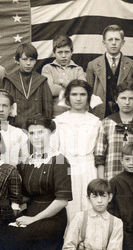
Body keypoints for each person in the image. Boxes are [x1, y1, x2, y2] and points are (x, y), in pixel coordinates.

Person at [0, 115, 72, 250]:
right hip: (31, 212)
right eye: (32, 133)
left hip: (52, 216)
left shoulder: (60, 160)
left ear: (50, 132)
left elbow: (62, 200)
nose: (36, 137)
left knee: (18, 240)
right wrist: (14, 211)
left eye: (41, 132)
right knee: (3, 233)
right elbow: (26, 195)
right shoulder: (27, 161)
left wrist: (33, 219)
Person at [52, 80, 101, 228]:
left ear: (88, 97)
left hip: (88, 168)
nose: (78, 98)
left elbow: (99, 152)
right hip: (67, 169)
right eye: (74, 94)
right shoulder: (59, 121)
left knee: (89, 205)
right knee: (69, 207)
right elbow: (55, 152)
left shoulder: (96, 122)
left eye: (82, 94)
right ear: (67, 97)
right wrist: (58, 177)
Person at [94, 82, 133, 182]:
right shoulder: (106, 123)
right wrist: (102, 182)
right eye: (123, 98)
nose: (127, 102)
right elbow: (100, 156)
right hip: (112, 178)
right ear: (116, 100)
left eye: (131, 98)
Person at [86, 24, 133, 120]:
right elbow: (88, 93)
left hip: (124, 114)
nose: (114, 43)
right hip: (99, 113)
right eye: (110, 40)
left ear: (122, 42)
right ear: (104, 43)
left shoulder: (132, 65)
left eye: (117, 39)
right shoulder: (93, 65)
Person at [3, 42, 53, 129]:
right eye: (25, 59)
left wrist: (45, 129)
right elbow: (4, 108)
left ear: (36, 61)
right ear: (17, 61)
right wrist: (4, 131)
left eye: (32, 60)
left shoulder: (41, 81)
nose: (28, 63)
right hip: (14, 129)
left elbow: (48, 110)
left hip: (36, 129)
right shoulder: (9, 81)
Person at [41, 35, 86, 117]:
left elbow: (82, 90)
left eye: (67, 52)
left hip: (75, 115)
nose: (63, 56)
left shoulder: (78, 69)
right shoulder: (48, 68)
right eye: (60, 52)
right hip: (54, 115)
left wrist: (63, 82)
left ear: (72, 52)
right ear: (54, 53)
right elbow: (50, 90)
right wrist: (73, 88)